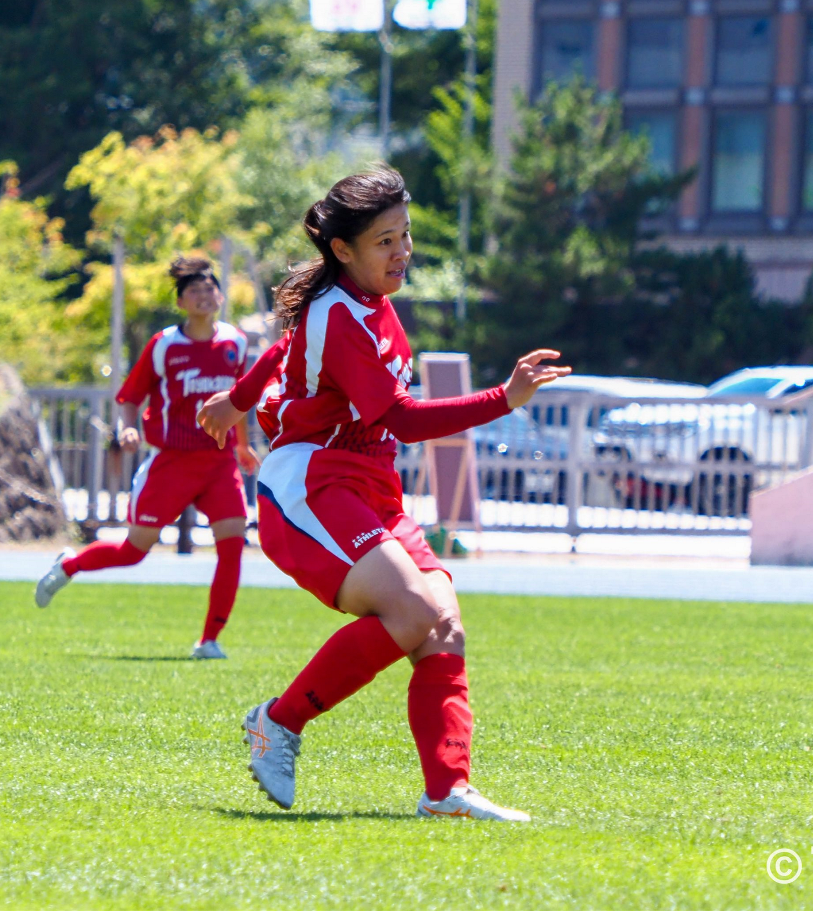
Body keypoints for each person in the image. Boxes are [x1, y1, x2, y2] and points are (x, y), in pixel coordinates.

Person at [196, 167, 569, 820]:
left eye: (406, 236)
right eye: (384, 241)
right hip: (313, 482)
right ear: (343, 250)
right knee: (413, 611)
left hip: (372, 486)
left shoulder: (367, 301)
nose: (401, 252)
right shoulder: (340, 314)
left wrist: (239, 396)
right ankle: (276, 723)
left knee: (443, 625)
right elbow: (401, 417)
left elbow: (290, 346)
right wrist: (502, 400)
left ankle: (447, 791)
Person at [35, 255, 260, 660]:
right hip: (172, 461)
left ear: (221, 296)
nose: (204, 296)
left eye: (210, 289)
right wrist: (127, 425)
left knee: (232, 545)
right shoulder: (165, 346)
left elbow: (238, 402)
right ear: (181, 303)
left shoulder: (236, 342)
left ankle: (209, 640)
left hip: (220, 460)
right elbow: (130, 396)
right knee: (133, 551)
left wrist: (241, 445)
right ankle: (70, 564)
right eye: (194, 291)